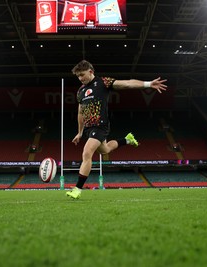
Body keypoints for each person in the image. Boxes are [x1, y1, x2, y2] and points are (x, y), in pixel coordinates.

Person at [66, 60, 168, 199]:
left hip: (100, 125)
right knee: (106, 150)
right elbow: (80, 113)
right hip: (90, 128)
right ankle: (127, 139)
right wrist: (80, 132)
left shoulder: (103, 82)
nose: (80, 78)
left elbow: (127, 83)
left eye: (82, 75)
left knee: (87, 152)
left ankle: (77, 189)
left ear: (91, 71)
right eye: (78, 76)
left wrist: (148, 84)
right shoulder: (80, 91)